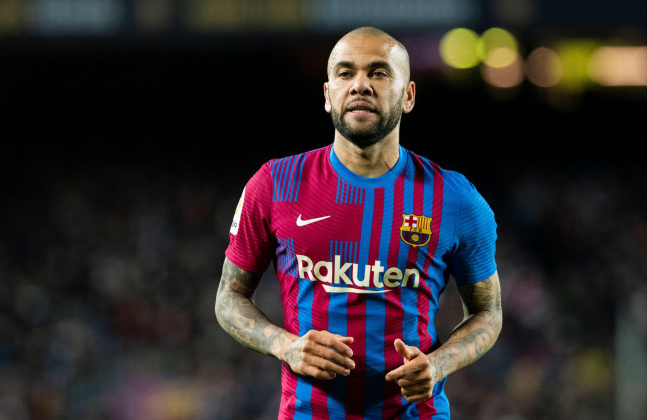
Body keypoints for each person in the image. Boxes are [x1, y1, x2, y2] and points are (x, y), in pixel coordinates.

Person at [215, 26, 502, 419]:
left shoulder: (455, 199)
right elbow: (229, 299)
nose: (360, 85)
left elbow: (488, 312)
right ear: (328, 95)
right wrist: (285, 346)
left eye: (379, 73)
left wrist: (438, 365)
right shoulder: (274, 184)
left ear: (409, 96)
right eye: (346, 73)